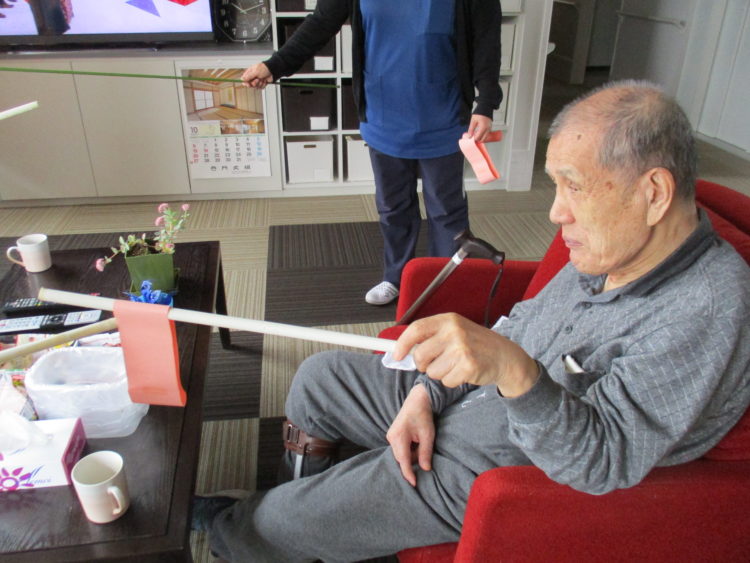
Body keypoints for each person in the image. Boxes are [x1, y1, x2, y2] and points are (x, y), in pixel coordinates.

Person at [192, 81, 750, 561]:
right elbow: (522, 324)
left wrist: (515, 372)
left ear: (654, 193)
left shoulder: (704, 309)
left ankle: (252, 528)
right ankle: (305, 521)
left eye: (574, 187)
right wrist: (427, 392)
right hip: (467, 405)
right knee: (321, 378)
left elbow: (601, 461)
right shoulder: (619, 246)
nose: (555, 212)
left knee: (271, 521)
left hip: (492, 469)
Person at [241, 0, 503, 305]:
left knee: (446, 210)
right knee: (393, 206)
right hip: (382, 112)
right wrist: (274, 66)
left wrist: (486, 103)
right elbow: (321, 23)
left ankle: (443, 285)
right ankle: (397, 277)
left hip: (443, 115)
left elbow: (487, 38)